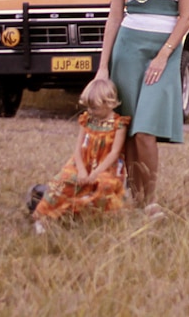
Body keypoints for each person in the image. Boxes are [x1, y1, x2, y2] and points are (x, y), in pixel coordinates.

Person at [95, 0, 189, 216]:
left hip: (163, 53)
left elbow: (187, 15)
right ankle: (128, 197)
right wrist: (102, 67)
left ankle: (149, 201)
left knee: (146, 131)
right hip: (127, 51)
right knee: (126, 132)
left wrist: (164, 55)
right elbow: (114, 16)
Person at [31, 78, 130, 234]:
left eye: (95, 108)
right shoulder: (87, 120)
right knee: (62, 181)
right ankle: (44, 216)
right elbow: (77, 150)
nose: (91, 111)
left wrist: (96, 173)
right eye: (89, 107)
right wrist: (83, 171)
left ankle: (78, 213)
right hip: (83, 164)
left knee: (105, 186)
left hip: (106, 168)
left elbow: (114, 153)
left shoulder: (119, 125)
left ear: (109, 103)